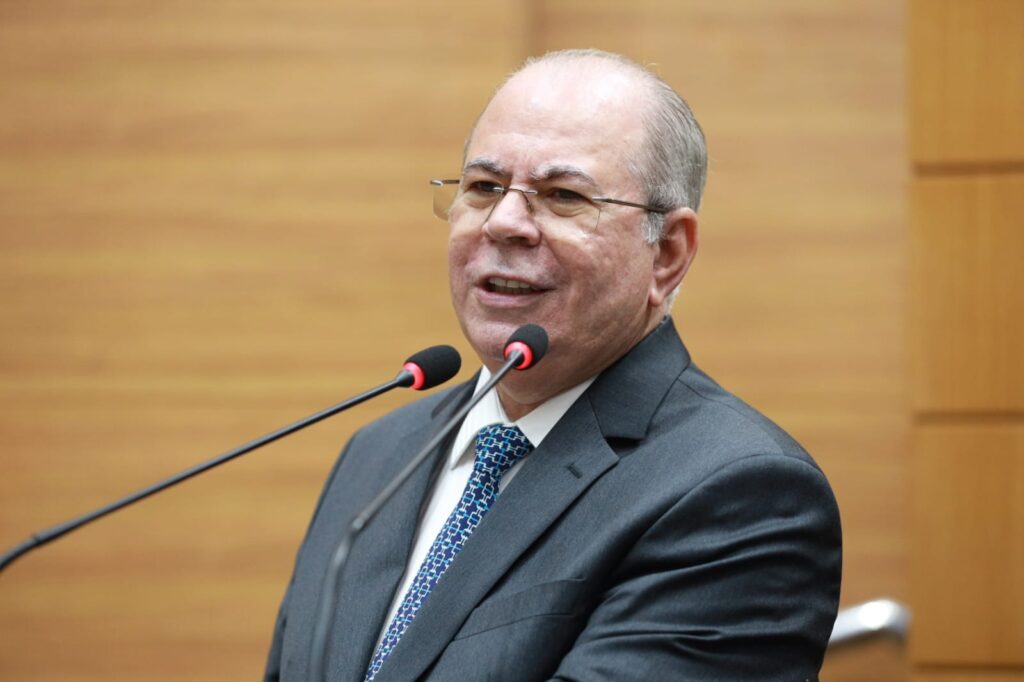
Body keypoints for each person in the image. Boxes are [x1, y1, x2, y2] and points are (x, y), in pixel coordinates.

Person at [265, 49, 841, 681]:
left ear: (668, 254)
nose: (504, 223)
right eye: (484, 188)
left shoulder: (741, 493)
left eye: (563, 196)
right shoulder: (380, 456)